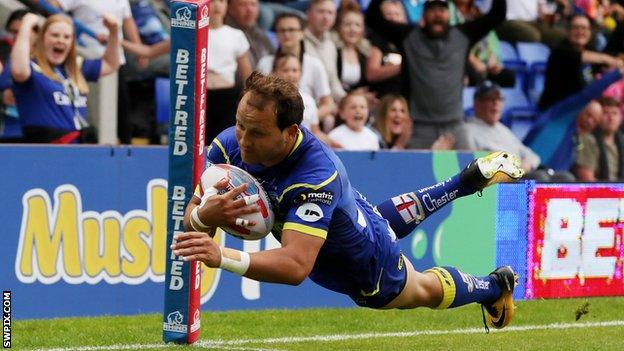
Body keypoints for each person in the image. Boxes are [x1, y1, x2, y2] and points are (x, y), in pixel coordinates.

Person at [171, 72, 524, 332]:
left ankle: (495, 285)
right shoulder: (228, 145)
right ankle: (463, 182)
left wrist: (222, 256)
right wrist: (204, 215)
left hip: (362, 266)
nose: (244, 141)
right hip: (354, 216)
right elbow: (191, 221)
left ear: (290, 132)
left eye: (258, 132)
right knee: (380, 223)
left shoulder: (315, 176)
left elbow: (295, 266)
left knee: (421, 288)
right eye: (240, 125)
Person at [366, 0, 507, 150]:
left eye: (442, 9)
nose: (438, 14)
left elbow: (497, 15)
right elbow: (373, 19)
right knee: (421, 172)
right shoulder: (408, 36)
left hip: (455, 125)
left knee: (467, 170)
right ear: (424, 15)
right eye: (432, 10)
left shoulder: (463, 34)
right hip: (419, 127)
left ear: (449, 14)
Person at [11, 13, 120, 143]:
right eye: (55, 35)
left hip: (79, 147)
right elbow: (19, 71)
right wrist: (26, 26)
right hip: (46, 148)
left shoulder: (76, 67)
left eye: (67, 37)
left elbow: (111, 64)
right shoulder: (31, 66)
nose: (60, 40)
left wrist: (114, 33)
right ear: (42, 38)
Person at [256, 13, 335, 125]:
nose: (286, 34)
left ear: (302, 33)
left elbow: (328, 104)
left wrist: (304, 120)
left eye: (292, 30)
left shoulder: (315, 64)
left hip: (305, 121)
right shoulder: (265, 62)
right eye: (282, 30)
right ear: (276, 34)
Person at [539, 14, 623, 111]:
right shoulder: (560, 51)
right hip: (556, 110)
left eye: (584, 28)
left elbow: (603, 66)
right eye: (575, 28)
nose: (580, 32)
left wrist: (615, 63)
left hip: (581, 107)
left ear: (590, 32)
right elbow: (580, 56)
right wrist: (611, 60)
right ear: (567, 31)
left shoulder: (590, 50)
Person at [467, 81, 541, 174]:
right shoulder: (467, 130)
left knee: (558, 178)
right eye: (490, 99)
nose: (495, 103)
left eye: (499, 99)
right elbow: (472, 165)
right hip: (497, 181)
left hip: (521, 175)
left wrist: (526, 165)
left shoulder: (503, 129)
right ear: (477, 104)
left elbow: (532, 156)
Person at [272, 53, 340, 148]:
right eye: (285, 70)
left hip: (303, 149)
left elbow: (314, 131)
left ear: (300, 73)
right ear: (275, 72)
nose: (290, 74)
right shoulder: (270, 99)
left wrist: (332, 143)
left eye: (295, 70)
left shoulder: (308, 100)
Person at [574, 97, 624, 181]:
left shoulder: (621, 141)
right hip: (601, 191)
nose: (611, 118)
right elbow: (586, 178)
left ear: (620, 118)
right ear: (598, 117)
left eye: (615, 113)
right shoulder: (589, 139)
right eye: (605, 113)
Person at [226, 0, 275, 68]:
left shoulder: (259, 32)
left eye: (253, 4)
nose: (249, 9)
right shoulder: (227, 35)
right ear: (230, 8)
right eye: (242, 5)